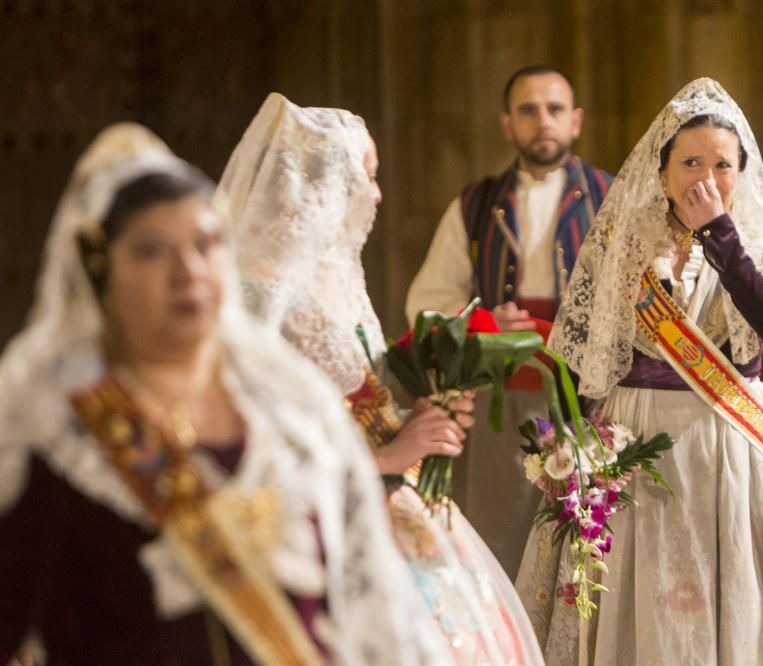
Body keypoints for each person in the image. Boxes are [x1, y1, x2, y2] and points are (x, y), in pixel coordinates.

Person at [0, 124, 450, 665]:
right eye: (151, 251)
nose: (188, 271)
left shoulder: (291, 405)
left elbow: (377, 614)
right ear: (100, 271)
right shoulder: (50, 422)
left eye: (205, 243)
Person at [516, 78, 763, 665]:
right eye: (690, 162)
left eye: (721, 164)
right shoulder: (622, 240)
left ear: (743, 171)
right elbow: (583, 353)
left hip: (732, 441)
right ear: (662, 171)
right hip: (637, 439)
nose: (705, 178)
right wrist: (574, 451)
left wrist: (722, 239)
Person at [220, 93, 544, 666]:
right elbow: (256, 442)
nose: (377, 193)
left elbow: (360, 390)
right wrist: (389, 458)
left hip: (391, 497)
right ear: (324, 182)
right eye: (367, 176)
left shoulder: (336, 274)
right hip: (329, 514)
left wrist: (427, 405)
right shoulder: (257, 295)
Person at [405, 65, 613, 576]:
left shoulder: (612, 199)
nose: (543, 120)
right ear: (507, 124)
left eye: (555, 109)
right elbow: (426, 304)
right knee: (500, 537)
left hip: (591, 398)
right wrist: (479, 319)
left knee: (583, 541)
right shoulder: (476, 206)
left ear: (576, 120)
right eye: (528, 110)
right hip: (501, 402)